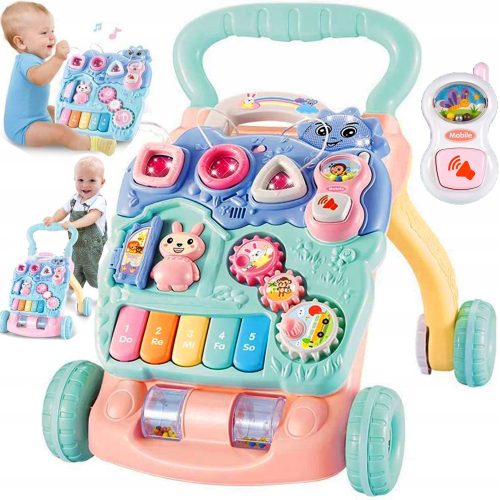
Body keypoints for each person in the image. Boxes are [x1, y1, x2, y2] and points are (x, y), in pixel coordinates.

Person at [2, 2, 115, 154]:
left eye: (52, 30)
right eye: (44, 32)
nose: (52, 37)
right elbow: (39, 78)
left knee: (58, 111)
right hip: (24, 128)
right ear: (21, 42)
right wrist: (58, 58)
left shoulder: (32, 59)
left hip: (34, 116)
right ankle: (92, 143)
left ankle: (78, 129)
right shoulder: (26, 60)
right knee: (60, 132)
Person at [44, 156, 107, 288]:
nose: (85, 185)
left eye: (92, 180)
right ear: (74, 179)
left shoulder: (99, 201)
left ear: (102, 182)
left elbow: (92, 217)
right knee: (74, 266)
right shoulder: (74, 199)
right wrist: (54, 219)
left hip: (92, 246)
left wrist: (73, 225)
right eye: (80, 180)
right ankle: (73, 287)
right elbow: (63, 210)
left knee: (91, 269)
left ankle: (102, 289)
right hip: (76, 244)